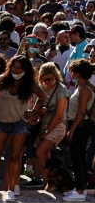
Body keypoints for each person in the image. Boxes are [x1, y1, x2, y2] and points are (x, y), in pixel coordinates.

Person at [0, 55, 42, 201]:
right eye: (13, 66)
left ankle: (10, 190)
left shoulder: (29, 83)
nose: (15, 69)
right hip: (0, 122)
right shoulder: (3, 79)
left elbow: (42, 96)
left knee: (14, 157)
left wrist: (34, 111)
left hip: (19, 123)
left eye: (19, 67)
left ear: (25, 69)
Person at [33, 62, 69, 192]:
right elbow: (34, 110)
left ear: (56, 76)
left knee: (40, 152)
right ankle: (47, 186)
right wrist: (39, 112)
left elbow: (59, 115)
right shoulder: (39, 88)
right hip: (43, 124)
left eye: (51, 78)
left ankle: (55, 180)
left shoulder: (61, 89)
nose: (48, 81)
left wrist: (46, 132)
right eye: (45, 79)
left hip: (58, 126)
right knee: (45, 157)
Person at [63, 59, 94, 201]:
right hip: (82, 125)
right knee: (79, 157)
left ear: (78, 73)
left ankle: (80, 191)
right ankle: (80, 188)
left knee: (77, 157)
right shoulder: (85, 86)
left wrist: (72, 130)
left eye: (72, 71)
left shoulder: (84, 89)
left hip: (81, 125)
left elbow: (81, 112)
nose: (70, 73)